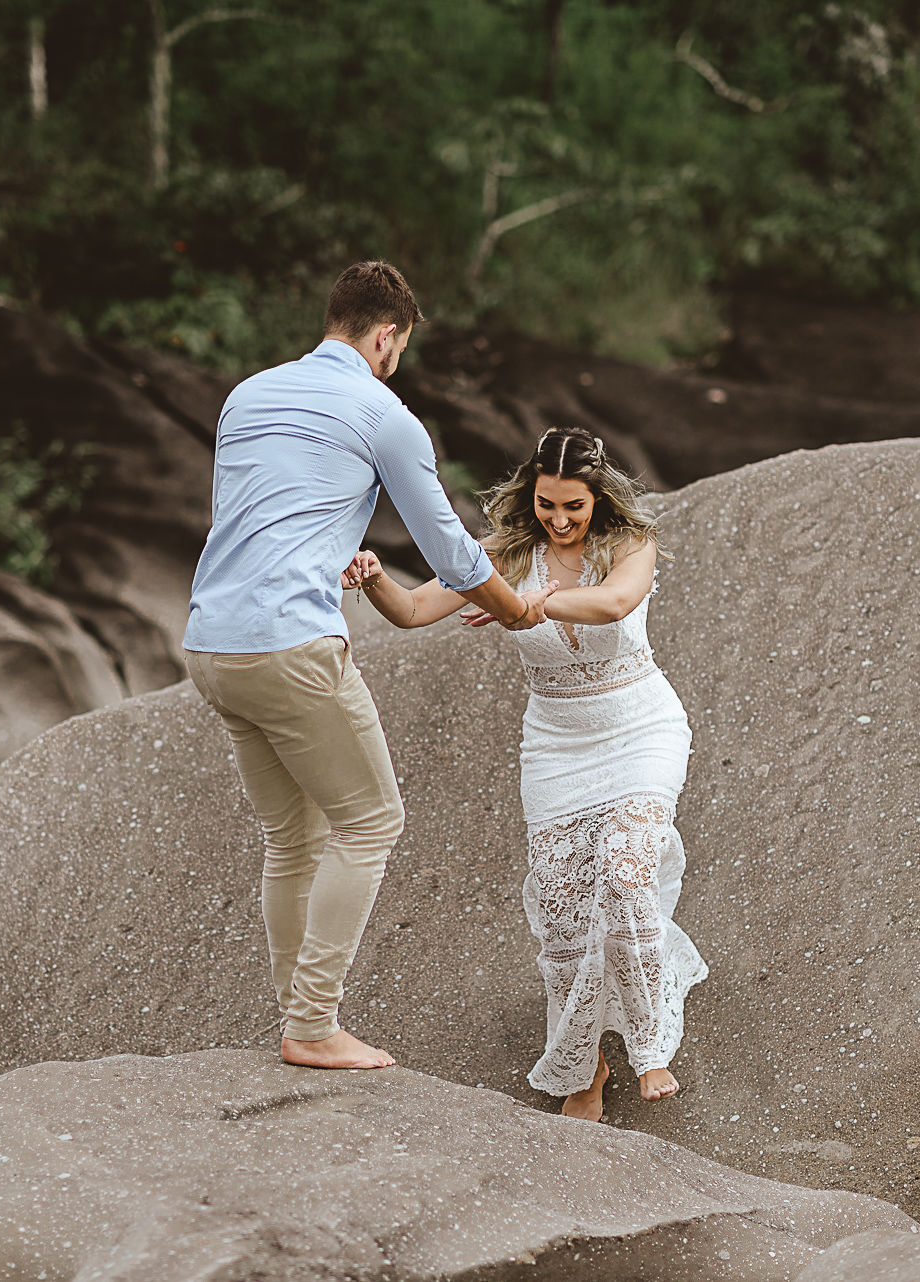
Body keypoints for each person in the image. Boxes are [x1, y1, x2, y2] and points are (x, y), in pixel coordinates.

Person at [184, 261, 560, 1071]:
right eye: (399, 348)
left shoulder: (246, 394)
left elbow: (252, 515)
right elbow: (451, 550)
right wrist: (517, 607)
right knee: (371, 822)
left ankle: (298, 1022)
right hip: (290, 645)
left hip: (211, 642)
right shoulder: (383, 414)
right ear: (385, 336)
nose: (397, 363)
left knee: (293, 836)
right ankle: (314, 1025)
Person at [344, 426, 707, 1118]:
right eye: (548, 505)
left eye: (575, 506)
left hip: (640, 729)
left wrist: (529, 604)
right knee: (565, 907)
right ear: (530, 495)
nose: (561, 520)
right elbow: (416, 611)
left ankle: (648, 1043)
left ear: (599, 497)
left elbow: (613, 603)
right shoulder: (502, 556)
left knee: (628, 868)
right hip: (557, 748)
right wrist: (375, 579)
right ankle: (585, 1066)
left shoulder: (630, 544)